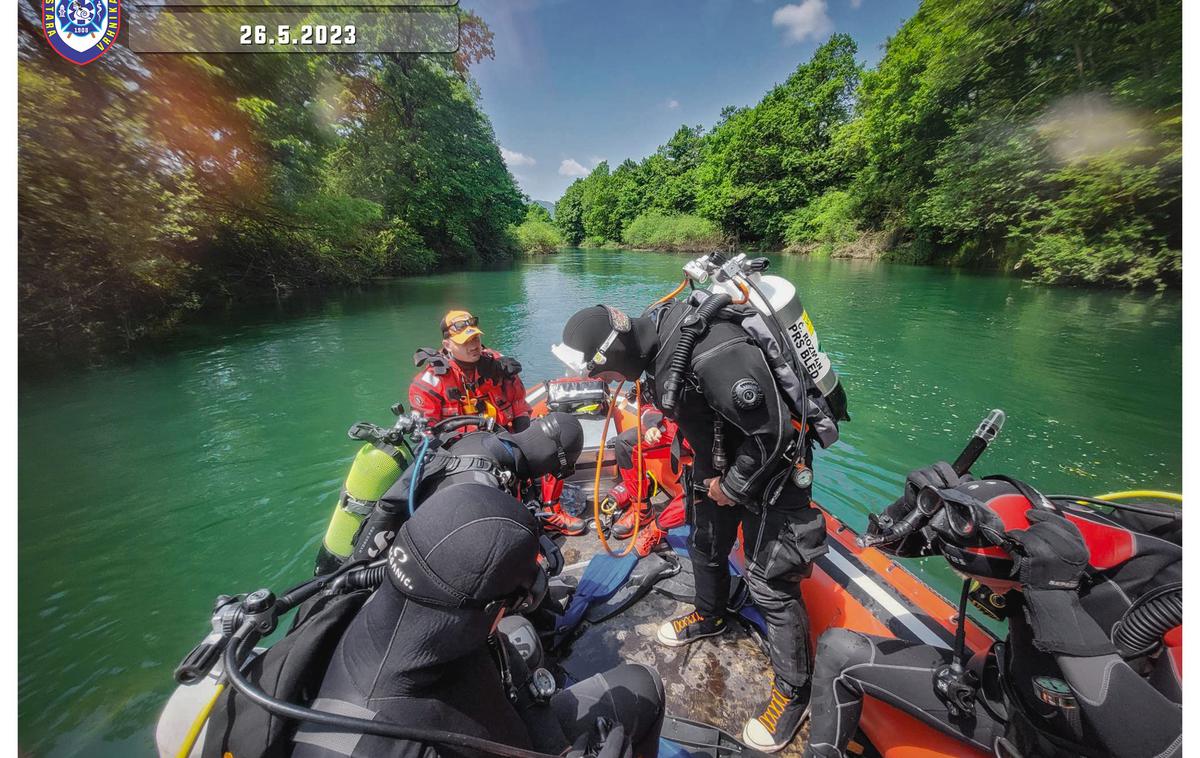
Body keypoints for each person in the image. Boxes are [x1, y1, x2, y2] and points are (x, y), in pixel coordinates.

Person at [558, 301, 847, 752]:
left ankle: (795, 691)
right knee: (706, 544)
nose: (604, 384)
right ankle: (711, 614)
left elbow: (777, 435)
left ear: (614, 353)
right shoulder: (661, 347)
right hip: (715, 462)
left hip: (772, 470)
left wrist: (731, 487)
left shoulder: (713, 351)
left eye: (604, 373)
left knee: (769, 582)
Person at [803, 467, 1182, 758]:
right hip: (1005, 702)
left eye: (986, 582)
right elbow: (884, 542)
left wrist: (1053, 597)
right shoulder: (1042, 526)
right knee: (838, 649)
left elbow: (1165, 746)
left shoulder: (1167, 605)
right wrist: (910, 507)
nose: (986, 590)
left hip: (1073, 743)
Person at [292, 484, 666, 758]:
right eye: (513, 601)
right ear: (486, 610)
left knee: (638, 684)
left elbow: (517, 682)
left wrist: (562, 749)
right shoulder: (364, 744)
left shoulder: (436, 615)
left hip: (512, 737)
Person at [350, 412, 587, 561]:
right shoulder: (485, 493)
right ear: (554, 460)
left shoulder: (481, 438)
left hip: (413, 542)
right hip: (412, 571)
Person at [409, 310, 532, 433]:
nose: (473, 346)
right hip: (460, 446)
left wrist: (524, 434)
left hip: (502, 436)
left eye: (475, 339)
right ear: (447, 345)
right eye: (465, 342)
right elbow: (426, 431)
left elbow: (519, 403)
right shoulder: (430, 382)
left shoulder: (500, 364)